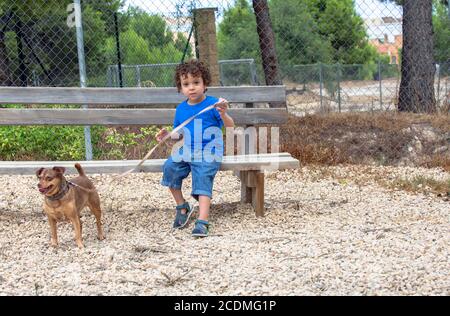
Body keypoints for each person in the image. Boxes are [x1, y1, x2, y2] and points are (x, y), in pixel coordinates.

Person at [156, 59, 234, 237]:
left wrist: (224, 114)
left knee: (203, 175)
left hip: (209, 151)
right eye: (186, 84)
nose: (191, 87)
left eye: (196, 82)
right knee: (170, 167)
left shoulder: (214, 104)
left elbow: (230, 127)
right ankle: (182, 206)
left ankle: (203, 221)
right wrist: (168, 135)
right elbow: (180, 134)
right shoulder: (181, 109)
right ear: (180, 87)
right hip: (187, 149)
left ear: (205, 84)